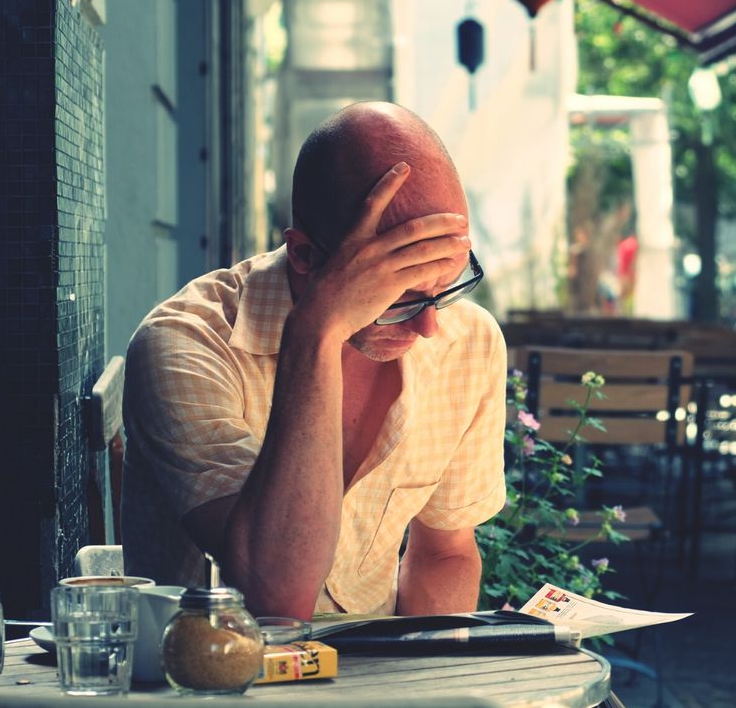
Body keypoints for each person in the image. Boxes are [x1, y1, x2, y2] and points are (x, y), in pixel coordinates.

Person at [121, 102, 507, 620]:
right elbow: (275, 596)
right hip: (217, 683)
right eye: (400, 297)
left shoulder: (468, 343)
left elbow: (446, 552)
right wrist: (315, 334)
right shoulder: (186, 344)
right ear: (304, 257)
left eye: (446, 287)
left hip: (376, 681)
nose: (428, 327)